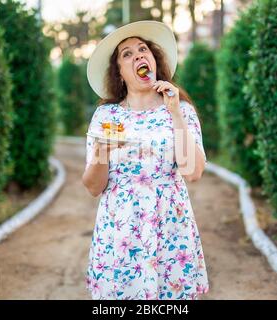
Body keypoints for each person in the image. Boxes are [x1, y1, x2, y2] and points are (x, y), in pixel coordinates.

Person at [83, 20, 209, 300]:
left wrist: (174, 112)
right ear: (119, 72)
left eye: (143, 49)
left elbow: (193, 172)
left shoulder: (181, 110)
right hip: (121, 233)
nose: (138, 55)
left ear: (153, 60)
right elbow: (93, 187)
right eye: (127, 54)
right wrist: (103, 150)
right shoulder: (106, 117)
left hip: (170, 229)